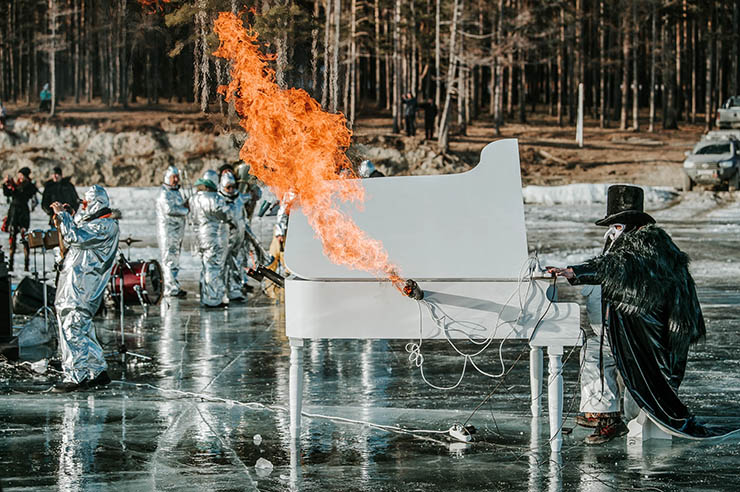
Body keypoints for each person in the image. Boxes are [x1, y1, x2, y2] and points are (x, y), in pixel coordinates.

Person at [549, 185, 711, 442]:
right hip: (631, 326)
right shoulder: (625, 243)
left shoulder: (649, 243)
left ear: (628, 224)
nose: (612, 232)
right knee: (595, 351)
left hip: (655, 333)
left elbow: (619, 267)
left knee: (631, 374)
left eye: (616, 226)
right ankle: (605, 415)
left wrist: (576, 271)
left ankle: (631, 416)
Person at [51, 185, 120, 392]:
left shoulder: (105, 226)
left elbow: (75, 237)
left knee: (72, 329)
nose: (84, 207)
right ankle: (97, 371)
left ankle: (76, 375)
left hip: (82, 288)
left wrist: (64, 217)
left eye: (86, 203)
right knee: (83, 330)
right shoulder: (97, 224)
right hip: (75, 286)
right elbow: (78, 232)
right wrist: (70, 216)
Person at [190, 170, 233, 308]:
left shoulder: (194, 198)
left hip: (200, 237)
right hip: (215, 237)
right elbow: (226, 214)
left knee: (206, 267)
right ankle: (213, 298)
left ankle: (206, 295)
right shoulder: (215, 198)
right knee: (214, 268)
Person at [156, 166, 189, 298]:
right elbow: (170, 210)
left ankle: (174, 285)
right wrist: (186, 210)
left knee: (174, 260)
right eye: (173, 177)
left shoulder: (175, 192)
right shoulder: (164, 193)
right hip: (168, 232)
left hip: (177, 232)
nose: (176, 180)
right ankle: (169, 288)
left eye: (177, 177)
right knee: (169, 259)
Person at [219, 172, 249, 302]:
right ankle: (221, 290)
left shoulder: (238, 198)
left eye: (232, 186)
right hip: (225, 239)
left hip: (238, 237)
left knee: (236, 263)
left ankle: (235, 289)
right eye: (228, 187)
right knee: (223, 265)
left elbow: (252, 196)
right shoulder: (219, 200)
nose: (231, 190)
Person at [3, 167, 39, 271]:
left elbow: (23, 194)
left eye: (22, 175)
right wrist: (6, 185)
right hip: (13, 212)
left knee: (24, 238)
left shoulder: (29, 186)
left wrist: (12, 186)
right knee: (12, 237)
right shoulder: (15, 185)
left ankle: (26, 264)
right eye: (19, 175)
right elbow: (7, 194)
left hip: (23, 212)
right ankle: (11, 264)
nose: (20, 177)